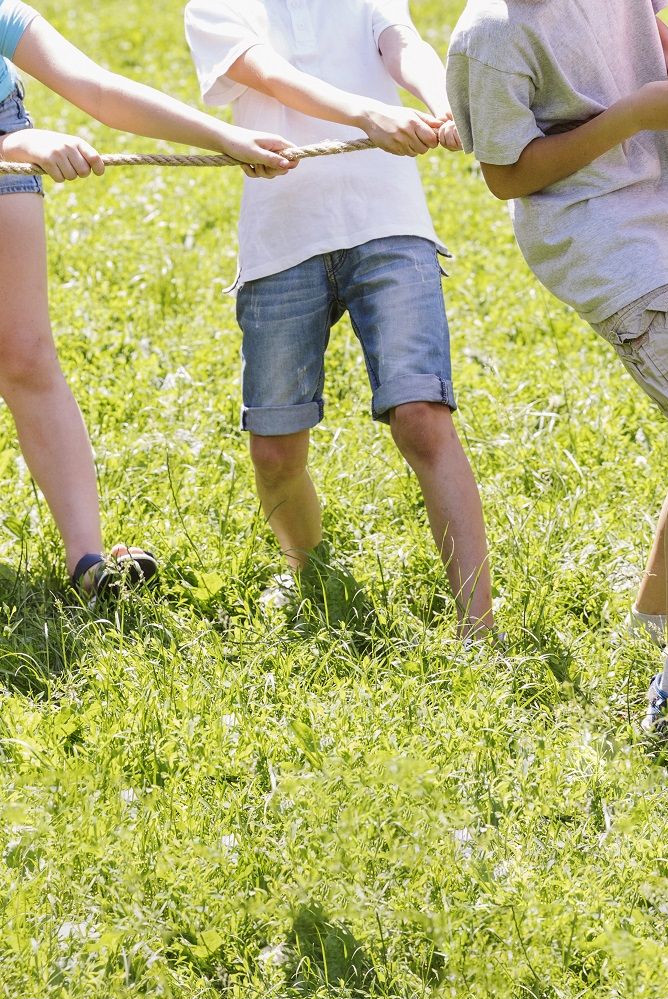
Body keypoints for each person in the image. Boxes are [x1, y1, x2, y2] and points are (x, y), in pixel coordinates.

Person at [0, 0, 297, 596]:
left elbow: (97, 89)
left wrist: (228, 137)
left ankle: (88, 559)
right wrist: (24, 147)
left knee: (21, 351)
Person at [449, 0, 668, 731]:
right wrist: (632, 116)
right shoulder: (492, 34)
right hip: (596, 233)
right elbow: (507, 175)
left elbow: (648, 28)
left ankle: (655, 618)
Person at [183, 0, 496, 637]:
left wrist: (443, 101)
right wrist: (366, 114)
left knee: (422, 417)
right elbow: (268, 73)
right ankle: (308, 569)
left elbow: (398, 41)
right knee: (275, 451)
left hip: (387, 221)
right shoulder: (213, 7)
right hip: (281, 239)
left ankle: (479, 629)